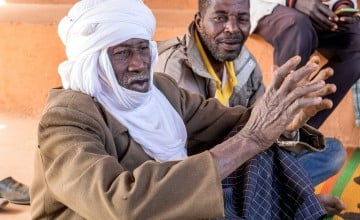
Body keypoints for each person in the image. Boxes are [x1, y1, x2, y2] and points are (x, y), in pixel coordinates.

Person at [30, 0, 338, 219]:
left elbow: (234, 123)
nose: (138, 64)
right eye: (122, 53)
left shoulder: (159, 90)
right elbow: (122, 204)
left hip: (168, 198)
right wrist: (252, 138)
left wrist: (285, 120)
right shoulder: (66, 119)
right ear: (92, 62)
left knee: (270, 152)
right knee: (245, 152)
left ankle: (292, 203)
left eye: (141, 49)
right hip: (123, 213)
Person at [154, 0, 346, 214]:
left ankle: (274, 200)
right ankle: (289, 202)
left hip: (247, 164)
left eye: (242, 19)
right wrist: (252, 141)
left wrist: (287, 126)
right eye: (220, 18)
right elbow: (178, 166)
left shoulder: (243, 61)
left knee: (333, 152)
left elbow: (264, 131)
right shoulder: (172, 70)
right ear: (199, 21)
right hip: (206, 175)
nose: (233, 28)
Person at [250, 0, 360, 128]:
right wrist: (294, 2)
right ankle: (274, 124)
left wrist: (341, 5)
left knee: (357, 35)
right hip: (267, 6)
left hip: (315, 9)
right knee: (297, 26)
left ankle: (302, 129)